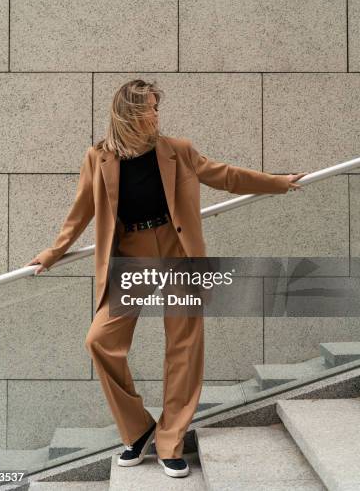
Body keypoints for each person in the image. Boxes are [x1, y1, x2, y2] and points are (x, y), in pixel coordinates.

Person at [26, 79, 306, 479]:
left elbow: (225, 175)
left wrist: (277, 182)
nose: (158, 114)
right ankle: (138, 429)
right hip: (133, 255)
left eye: (158, 107)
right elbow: (81, 211)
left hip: (179, 254)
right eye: (151, 108)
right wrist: (54, 252)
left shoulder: (177, 150)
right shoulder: (99, 157)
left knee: (184, 346)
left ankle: (171, 439)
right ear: (130, 113)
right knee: (101, 340)